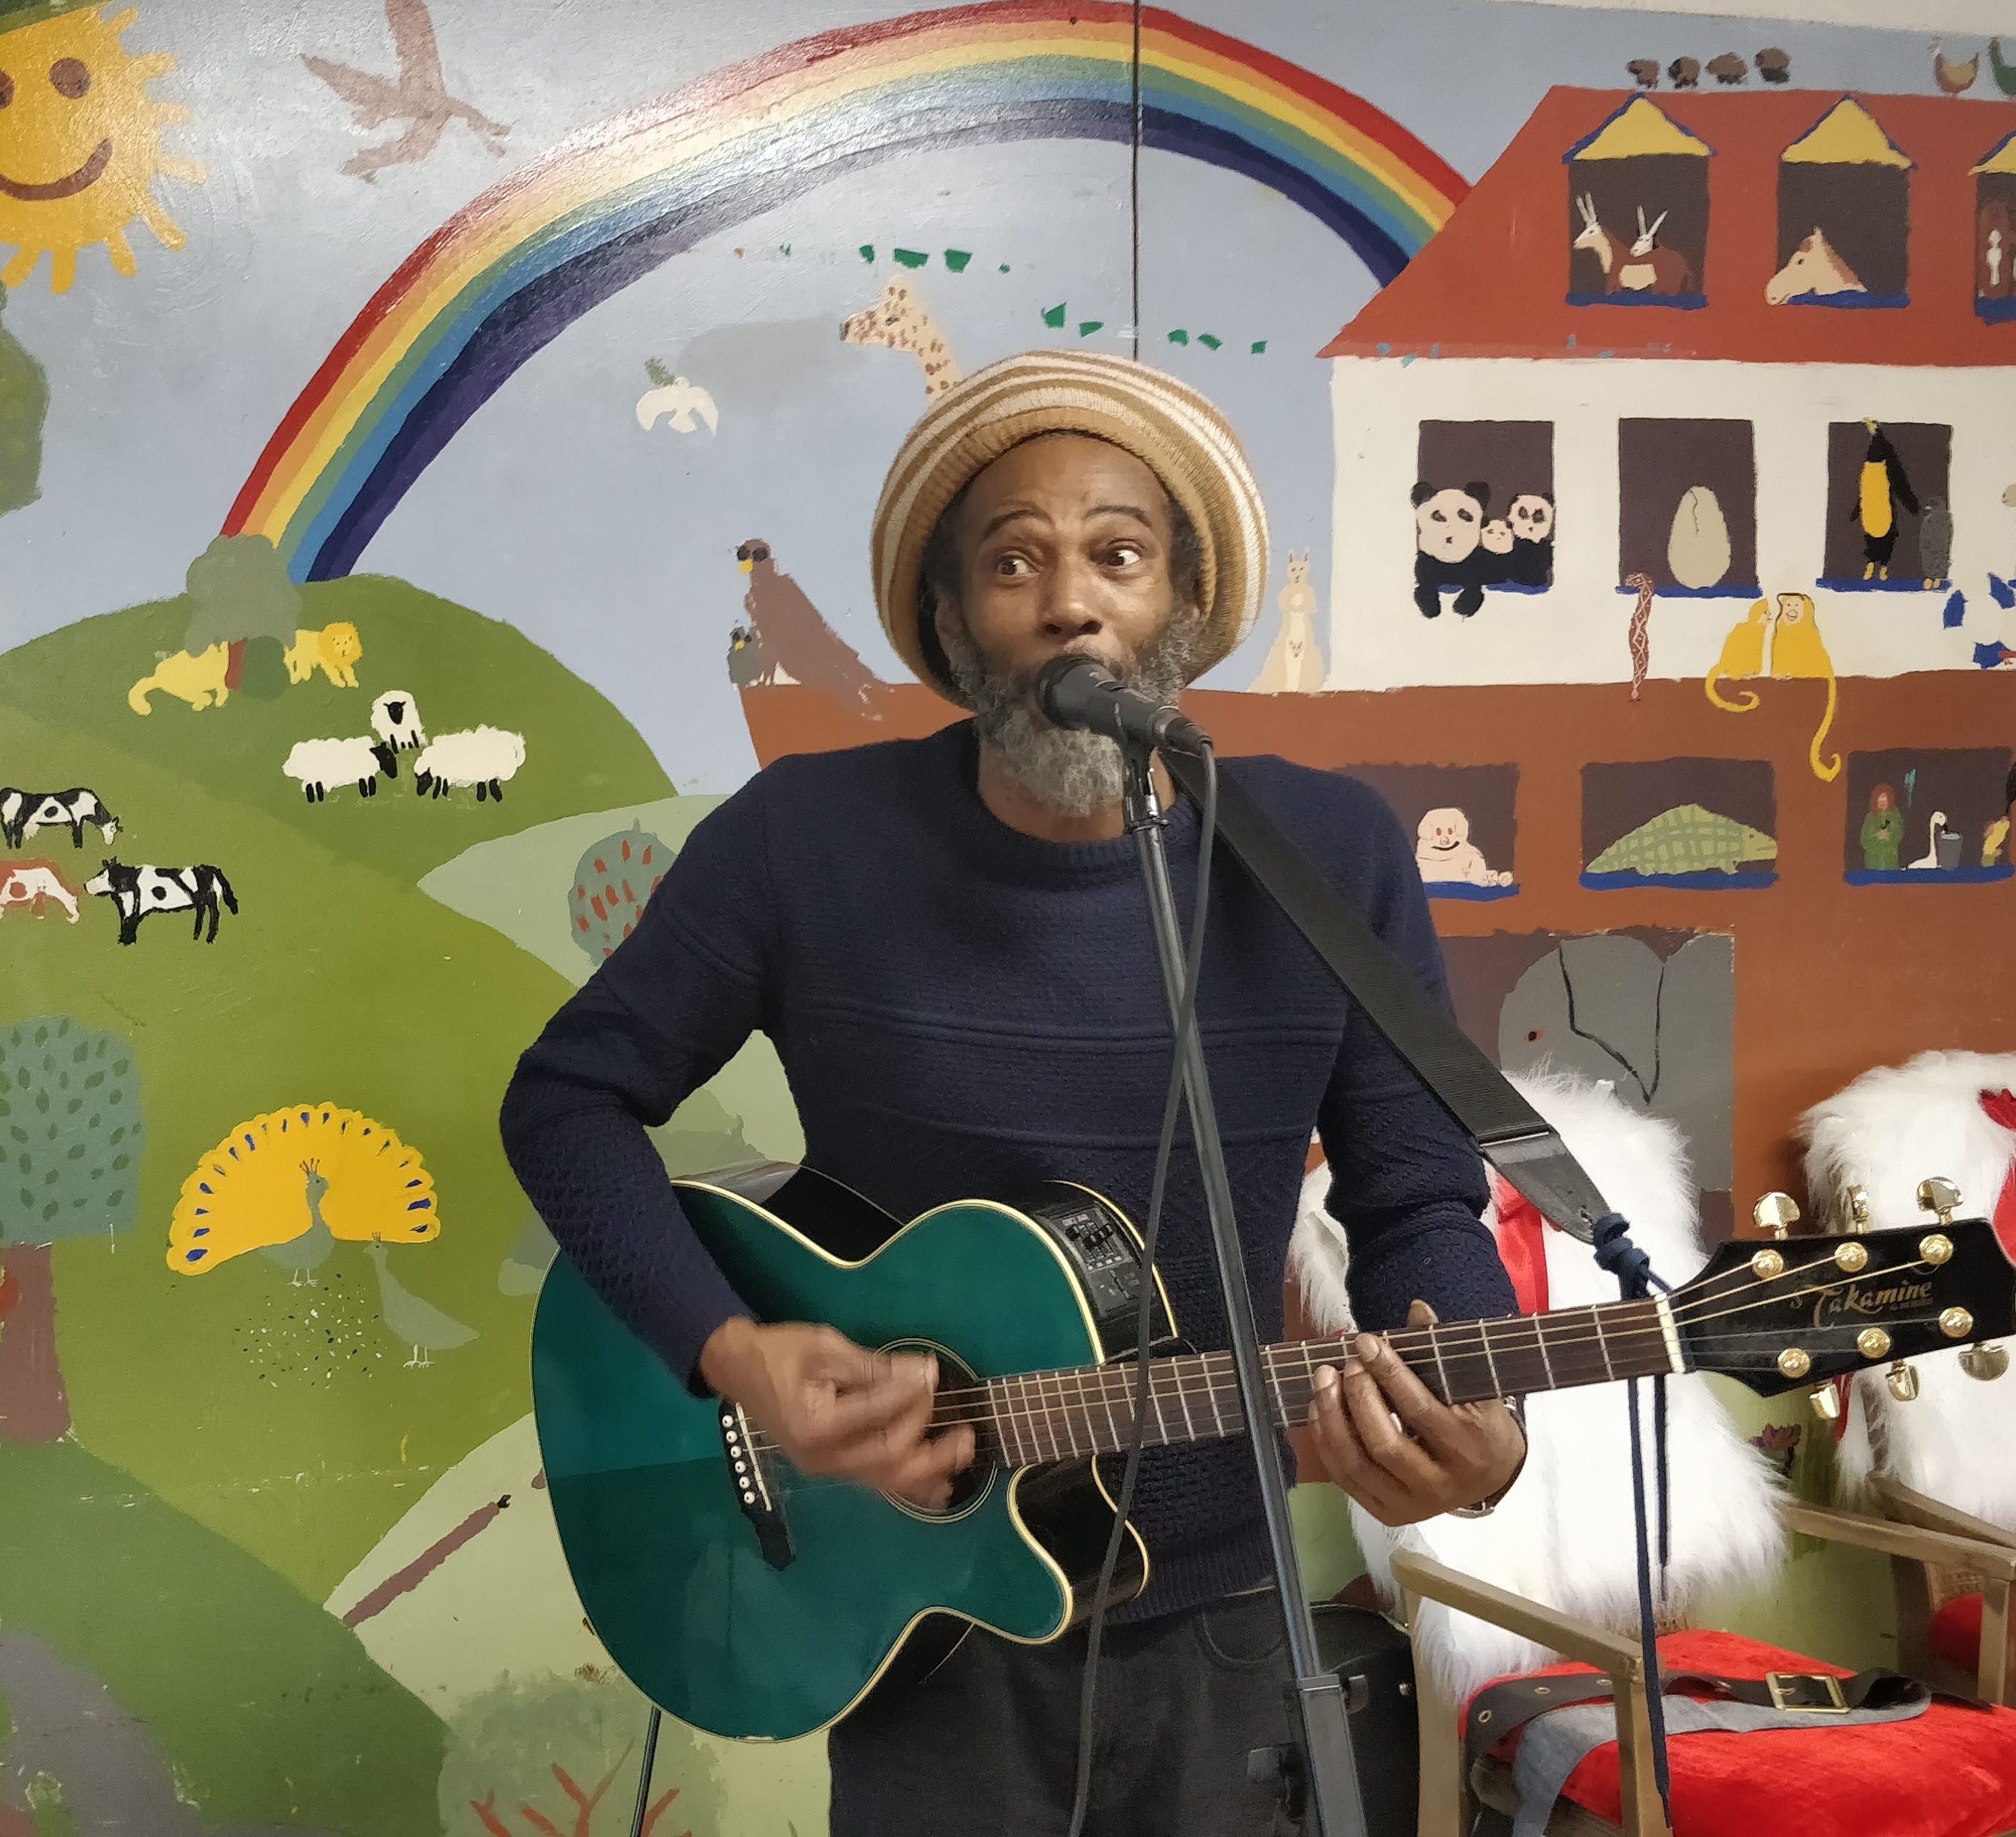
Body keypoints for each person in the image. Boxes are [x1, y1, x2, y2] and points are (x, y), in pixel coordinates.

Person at [499, 353, 1527, 1836]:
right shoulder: (805, 841)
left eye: (1120, 554)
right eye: (1012, 563)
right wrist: (733, 1354)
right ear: (950, 620)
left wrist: (1478, 1409)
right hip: (925, 1629)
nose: (1070, 603)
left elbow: (1419, 1193)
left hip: (1230, 1622)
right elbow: (567, 1103)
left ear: (1180, 608)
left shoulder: (1329, 854)